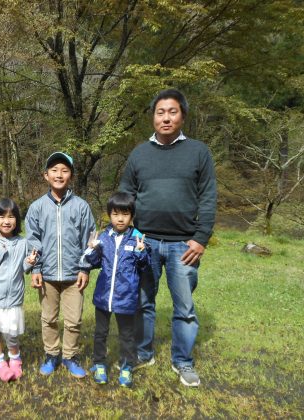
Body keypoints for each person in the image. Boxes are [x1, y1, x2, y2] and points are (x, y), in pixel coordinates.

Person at [119, 89, 217, 387]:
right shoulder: (139, 153)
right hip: (143, 242)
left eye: (172, 111)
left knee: (184, 308)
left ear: (182, 116)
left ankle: (183, 362)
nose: (166, 117)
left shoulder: (199, 152)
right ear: (153, 117)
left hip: (184, 245)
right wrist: (126, 236)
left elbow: (209, 198)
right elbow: (126, 196)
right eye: (160, 112)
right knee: (142, 302)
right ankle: (142, 352)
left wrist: (200, 238)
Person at [25, 152, 96, 378]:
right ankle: (52, 354)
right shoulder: (36, 207)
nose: (59, 174)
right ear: (45, 175)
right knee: (49, 319)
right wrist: (36, 269)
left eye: (64, 170)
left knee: (74, 319)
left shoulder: (81, 206)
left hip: (73, 275)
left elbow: (90, 240)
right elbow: (33, 240)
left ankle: (70, 356)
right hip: (47, 275)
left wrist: (85, 268)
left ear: (71, 176)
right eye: (54, 170)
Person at [83, 192, 150, 388]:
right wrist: (92, 249)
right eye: (115, 214)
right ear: (109, 215)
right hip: (103, 296)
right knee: (100, 332)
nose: (120, 218)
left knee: (127, 335)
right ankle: (99, 363)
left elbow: (145, 267)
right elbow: (93, 262)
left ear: (132, 216)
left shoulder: (137, 238)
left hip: (126, 297)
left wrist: (141, 252)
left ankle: (127, 366)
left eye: (125, 214)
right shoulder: (104, 237)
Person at [0, 198, 38, 382]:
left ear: (17, 220)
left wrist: (29, 263)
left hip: (13, 299)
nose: (6, 221)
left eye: (11, 217)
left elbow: (23, 268)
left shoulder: (22, 243)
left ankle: (15, 359)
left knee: (11, 334)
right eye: (1, 216)